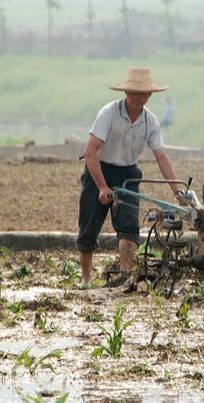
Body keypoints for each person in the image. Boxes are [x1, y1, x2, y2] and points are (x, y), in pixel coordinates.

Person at [77, 66, 180, 288]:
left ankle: (125, 276)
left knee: (129, 229)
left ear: (149, 96)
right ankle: (85, 278)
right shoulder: (109, 113)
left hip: (128, 174)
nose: (138, 98)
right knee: (89, 226)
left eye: (143, 94)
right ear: (126, 93)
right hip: (99, 170)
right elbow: (90, 152)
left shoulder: (150, 121)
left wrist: (177, 191)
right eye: (134, 93)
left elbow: (161, 156)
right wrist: (103, 187)